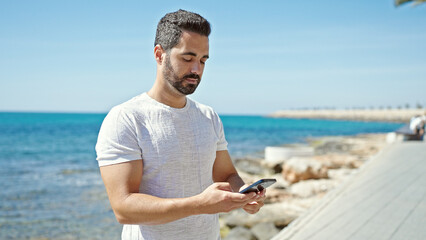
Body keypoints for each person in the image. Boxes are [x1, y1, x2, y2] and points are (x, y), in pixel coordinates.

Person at [95, 9, 266, 240]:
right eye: (187, 58)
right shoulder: (127, 118)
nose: (196, 70)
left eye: (203, 60)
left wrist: (244, 193)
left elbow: (226, 173)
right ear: (159, 54)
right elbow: (124, 208)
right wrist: (200, 204)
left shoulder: (208, 116)